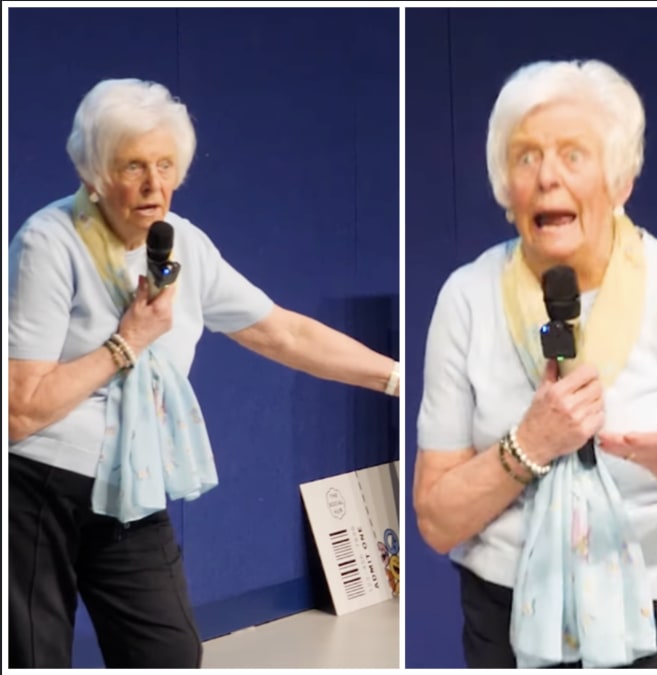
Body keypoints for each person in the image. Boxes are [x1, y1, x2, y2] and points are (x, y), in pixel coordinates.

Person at [7, 78, 401, 668]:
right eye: (133, 165)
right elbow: (18, 411)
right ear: (92, 172)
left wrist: (396, 378)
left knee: (168, 655)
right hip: (35, 489)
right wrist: (126, 342)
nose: (154, 184)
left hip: (129, 487)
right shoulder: (49, 242)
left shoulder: (184, 244)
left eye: (166, 164)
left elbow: (282, 332)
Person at [413, 59, 657, 669]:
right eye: (525, 157)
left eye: (573, 155)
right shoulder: (466, 297)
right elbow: (437, 520)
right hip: (510, 618)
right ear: (505, 185)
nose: (547, 176)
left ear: (620, 179)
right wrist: (527, 445)